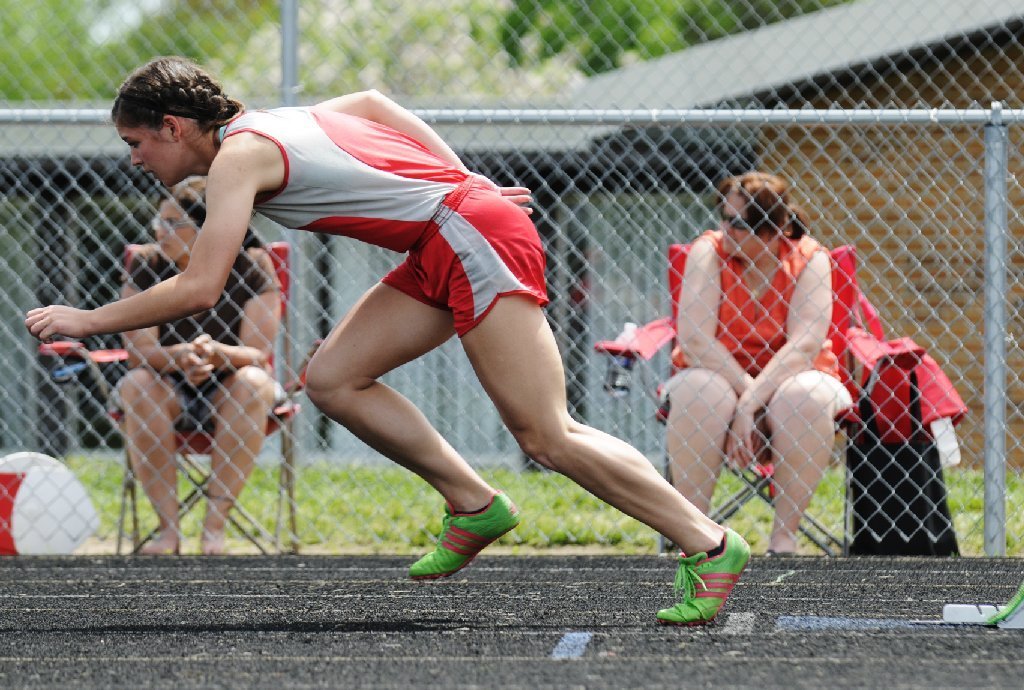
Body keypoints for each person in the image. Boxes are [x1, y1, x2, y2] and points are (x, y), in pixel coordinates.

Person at [26, 56, 749, 624]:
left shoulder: (237, 160)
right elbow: (374, 103)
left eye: (136, 142)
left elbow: (199, 287)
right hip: (446, 235)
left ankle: (708, 544)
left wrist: (86, 320)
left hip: (468, 234)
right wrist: (464, 176)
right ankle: (474, 503)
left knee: (545, 434)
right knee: (334, 378)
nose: (133, 158)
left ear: (176, 126)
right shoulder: (271, 123)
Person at [664, 171, 852, 555]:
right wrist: (744, 396)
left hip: (791, 380)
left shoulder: (810, 260)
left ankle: (783, 538)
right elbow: (696, 338)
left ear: (774, 229)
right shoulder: (709, 252)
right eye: (724, 217)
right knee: (699, 390)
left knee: (807, 395)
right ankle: (697, 539)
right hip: (718, 379)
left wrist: (749, 404)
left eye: (740, 223)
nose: (725, 228)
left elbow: (803, 347)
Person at [117, 176, 282, 555]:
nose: (161, 230)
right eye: (159, 221)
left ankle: (214, 530)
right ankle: (168, 532)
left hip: (229, 387)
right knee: (136, 383)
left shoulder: (252, 264)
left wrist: (212, 354)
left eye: (174, 223)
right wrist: (181, 357)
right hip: (166, 387)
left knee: (255, 381)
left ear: (208, 228)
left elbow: (257, 352)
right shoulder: (147, 264)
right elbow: (139, 351)